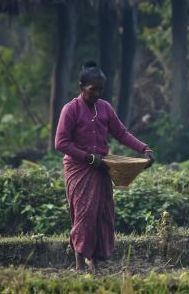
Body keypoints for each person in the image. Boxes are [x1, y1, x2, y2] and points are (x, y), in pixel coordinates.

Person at [55, 60, 155, 272]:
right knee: (84, 214)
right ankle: (79, 264)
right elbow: (61, 142)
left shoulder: (105, 108)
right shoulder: (70, 109)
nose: (97, 94)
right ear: (82, 87)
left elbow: (121, 133)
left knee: (102, 213)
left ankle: (96, 263)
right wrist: (89, 158)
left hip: (102, 167)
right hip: (80, 169)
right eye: (93, 90)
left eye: (101, 89)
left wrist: (144, 148)